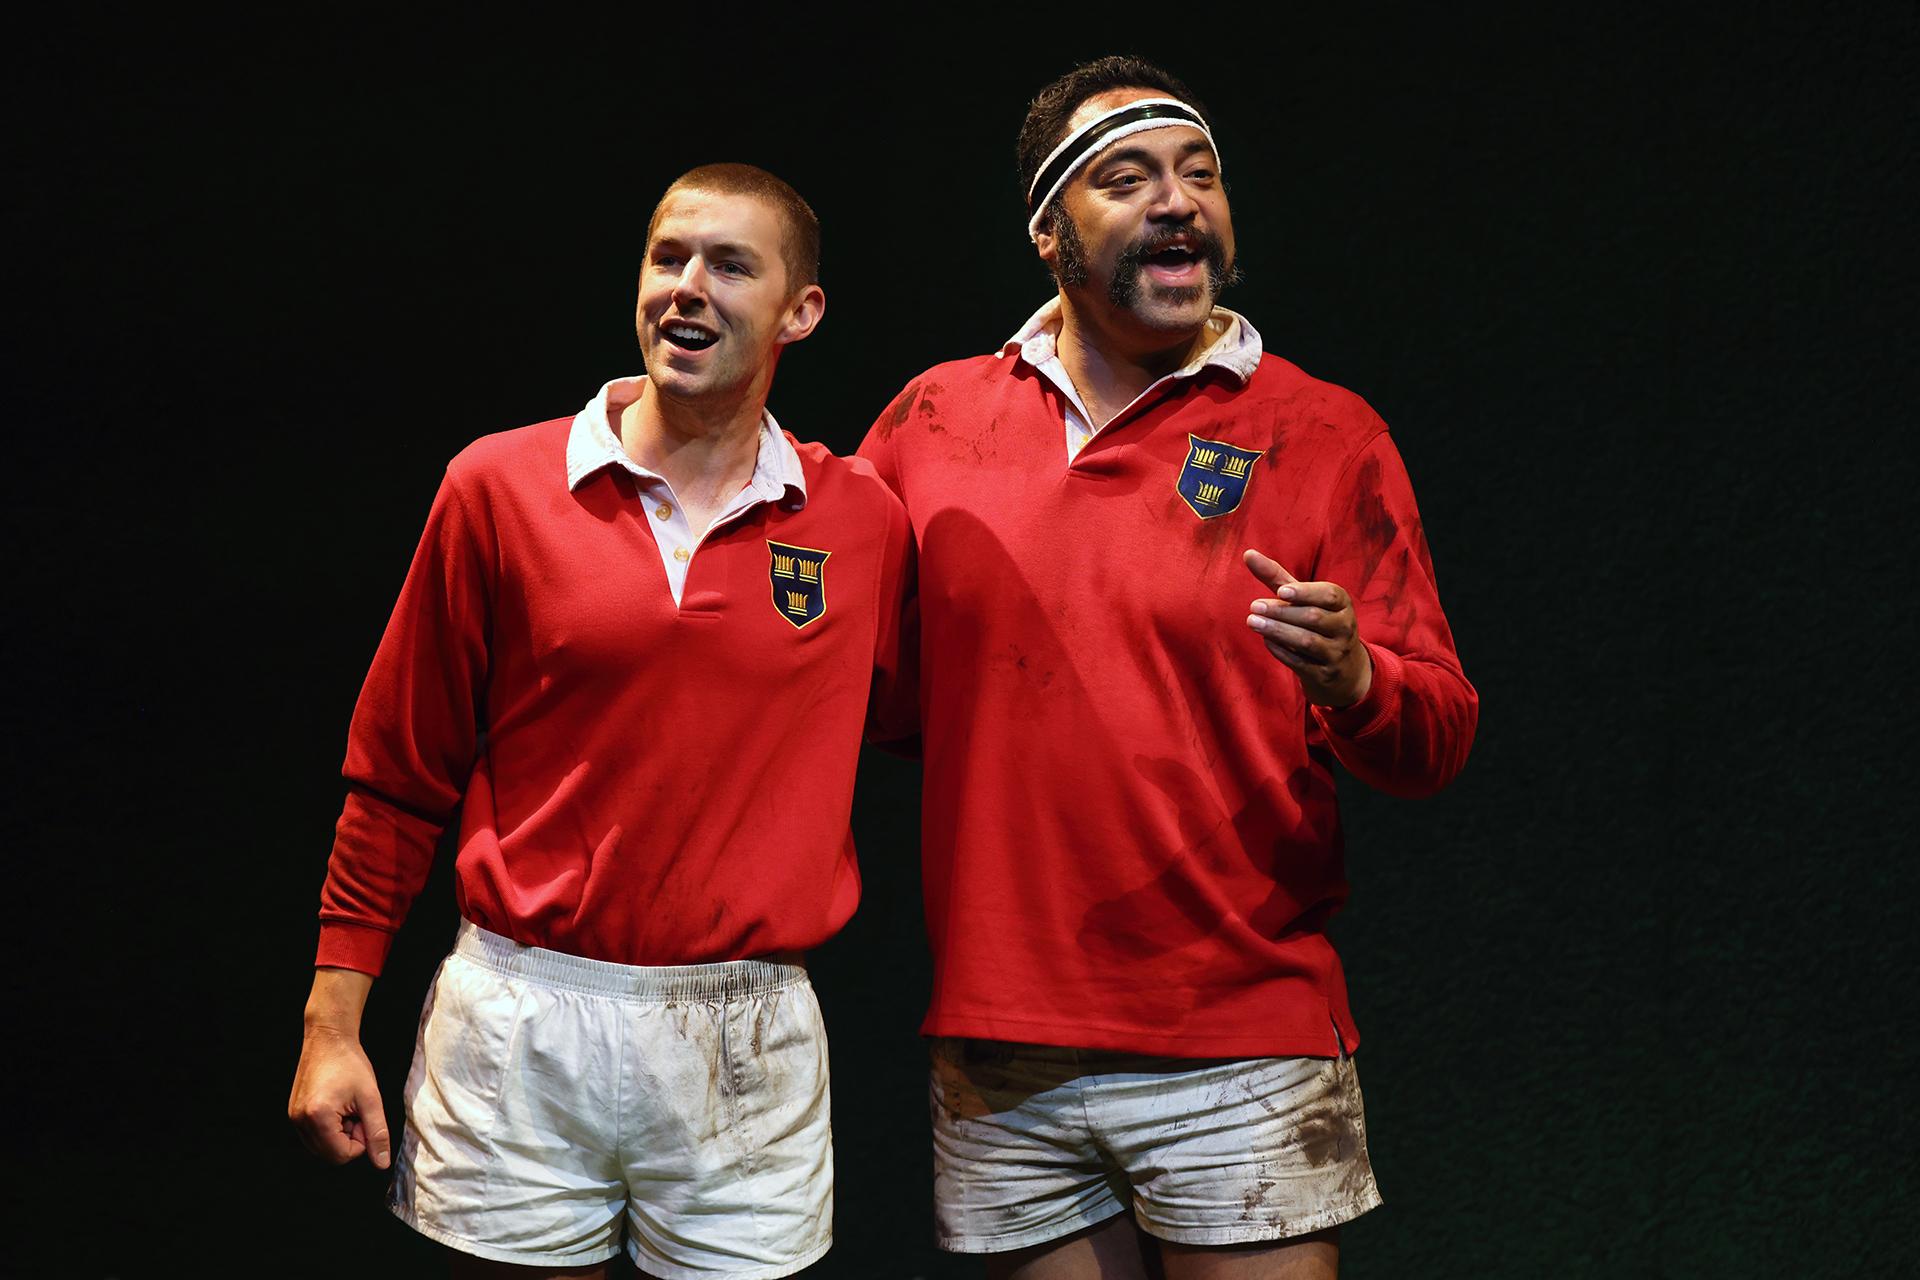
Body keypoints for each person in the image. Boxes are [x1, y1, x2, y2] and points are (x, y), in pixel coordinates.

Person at [857, 58, 1478, 1279]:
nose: (1178, 200)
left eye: (1200, 173)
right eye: (1128, 177)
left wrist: (1357, 681)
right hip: (1004, 1049)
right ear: (1049, 233)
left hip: (1241, 1039)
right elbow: (862, 683)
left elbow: (1439, 731)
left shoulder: (1323, 431)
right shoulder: (933, 421)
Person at [288, 163, 913, 1279]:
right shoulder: (498, 485)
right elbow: (397, 772)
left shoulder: (861, 519)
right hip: (522, 1015)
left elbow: (964, 722)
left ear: (801, 310)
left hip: (745, 1028)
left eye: (731, 265)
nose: (688, 287)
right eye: (668, 257)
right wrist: (331, 1026)